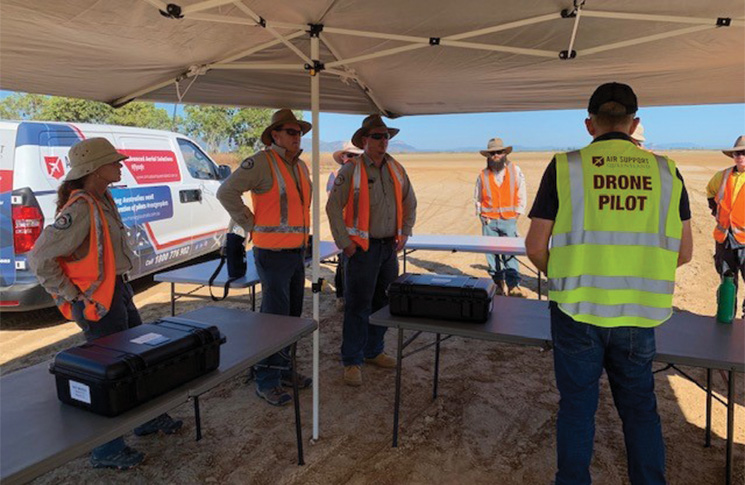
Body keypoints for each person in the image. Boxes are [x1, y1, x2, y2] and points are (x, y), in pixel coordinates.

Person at [525, 82, 693, 485]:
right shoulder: (666, 171)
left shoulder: (566, 167)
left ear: (589, 125)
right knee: (639, 409)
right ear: (635, 124)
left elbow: (535, 246)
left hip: (575, 310)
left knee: (578, 408)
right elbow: (684, 253)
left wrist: (567, 277)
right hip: (638, 314)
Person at [28, 138, 183, 470]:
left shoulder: (101, 199)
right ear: (95, 169)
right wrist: (72, 296)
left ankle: (143, 421)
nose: (121, 165)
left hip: (118, 292)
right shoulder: (81, 208)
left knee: (136, 360)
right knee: (108, 376)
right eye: (114, 162)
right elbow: (40, 257)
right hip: (100, 302)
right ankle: (106, 448)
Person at [216, 108, 313, 406]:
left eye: (299, 132)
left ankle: (283, 369)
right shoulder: (260, 163)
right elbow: (226, 192)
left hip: (296, 253)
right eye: (292, 132)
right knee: (274, 319)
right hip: (272, 254)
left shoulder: (299, 166)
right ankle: (266, 379)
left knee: (291, 316)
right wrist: (250, 223)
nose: (298, 137)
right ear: (276, 135)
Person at [326, 115, 417, 386]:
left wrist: (405, 232)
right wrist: (345, 244)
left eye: (386, 136)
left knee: (383, 302)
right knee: (357, 305)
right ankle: (352, 360)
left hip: (388, 248)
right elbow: (332, 208)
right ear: (365, 141)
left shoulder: (397, 168)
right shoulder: (351, 169)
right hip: (361, 251)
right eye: (377, 136)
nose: (383, 141)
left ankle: (373, 350)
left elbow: (410, 202)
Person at [474, 137, 527, 296]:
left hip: (509, 220)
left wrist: (517, 214)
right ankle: (498, 284)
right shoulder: (482, 175)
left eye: (499, 152)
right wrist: (481, 215)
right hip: (489, 221)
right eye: (492, 153)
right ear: (488, 156)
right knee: (491, 255)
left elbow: (521, 193)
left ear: (504, 153)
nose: (496, 155)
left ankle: (513, 285)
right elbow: (477, 198)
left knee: (510, 253)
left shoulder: (515, 170)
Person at [706, 135, 745, 318]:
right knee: (727, 282)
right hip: (725, 240)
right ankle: (726, 317)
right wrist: (716, 211)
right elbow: (711, 192)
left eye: (744, 153)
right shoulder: (722, 175)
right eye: (737, 153)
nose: (740, 156)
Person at [327, 141, 363, 312]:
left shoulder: (365, 174)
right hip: (343, 228)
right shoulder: (335, 175)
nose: (353, 159)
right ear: (342, 157)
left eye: (356, 155)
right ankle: (341, 296)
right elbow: (333, 202)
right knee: (342, 264)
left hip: (361, 229)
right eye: (350, 155)